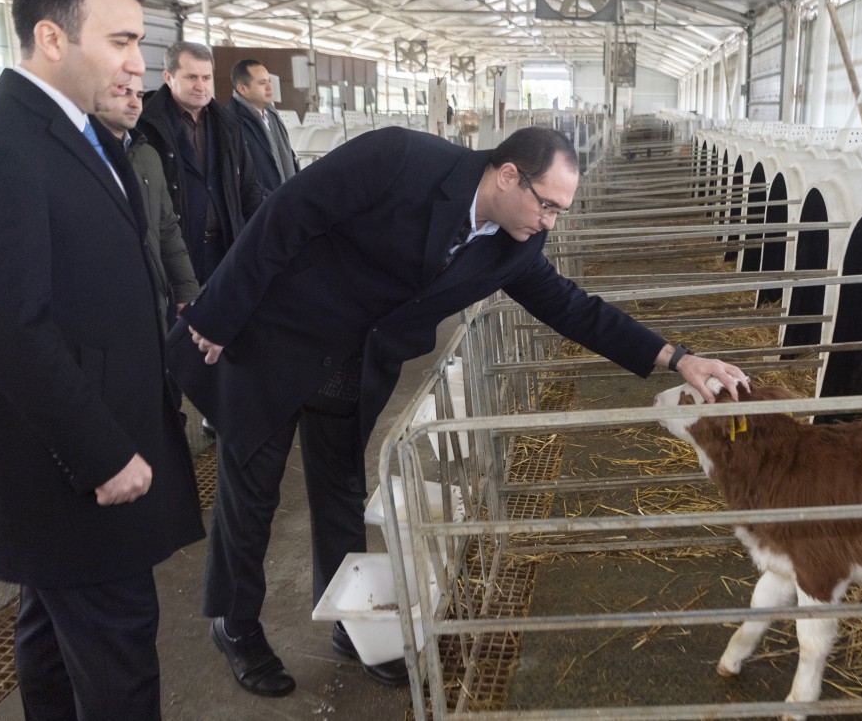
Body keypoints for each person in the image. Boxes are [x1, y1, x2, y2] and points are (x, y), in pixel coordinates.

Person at [166, 125, 749, 698]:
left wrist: (677, 358)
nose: (549, 222)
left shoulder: (516, 245)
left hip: (354, 359)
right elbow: (287, 214)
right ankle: (235, 623)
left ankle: (352, 622)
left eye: (559, 213)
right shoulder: (400, 157)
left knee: (340, 486)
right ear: (508, 175)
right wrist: (219, 314)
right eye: (546, 205)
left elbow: (573, 308)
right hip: (278, 335)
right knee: (253, 486)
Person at [0, 0, 204, 719]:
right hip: (76, 467)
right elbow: (10, 326)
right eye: (121, 40)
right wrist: (101, 452)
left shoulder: (85, 133)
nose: (138, 62)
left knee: (52, 637)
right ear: (52, 38)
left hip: (103, 441)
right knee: (117, 655)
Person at [136, 40, 264, 288]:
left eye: (206, 78)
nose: (200, 86)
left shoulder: (228, 126)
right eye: (191, 77)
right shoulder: (148, 128)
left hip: (225, 250)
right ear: (168, 77)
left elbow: (249, 190)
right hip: (176, 256)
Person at [96, 77, 200, 331]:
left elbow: (167, 226)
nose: (134, 103)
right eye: (124, 93)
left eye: (139, 95)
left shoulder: (147, 155)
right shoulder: (82, 156)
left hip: (152, 297)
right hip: (103, 303)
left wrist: (186, 288)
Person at [228, 58, 299, 193]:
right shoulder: (232, 122)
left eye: (269, 81)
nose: (269, 87)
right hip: (260, 205)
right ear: (242, 89)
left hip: (283, 197)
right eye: (262, 83)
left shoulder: (273, 117)